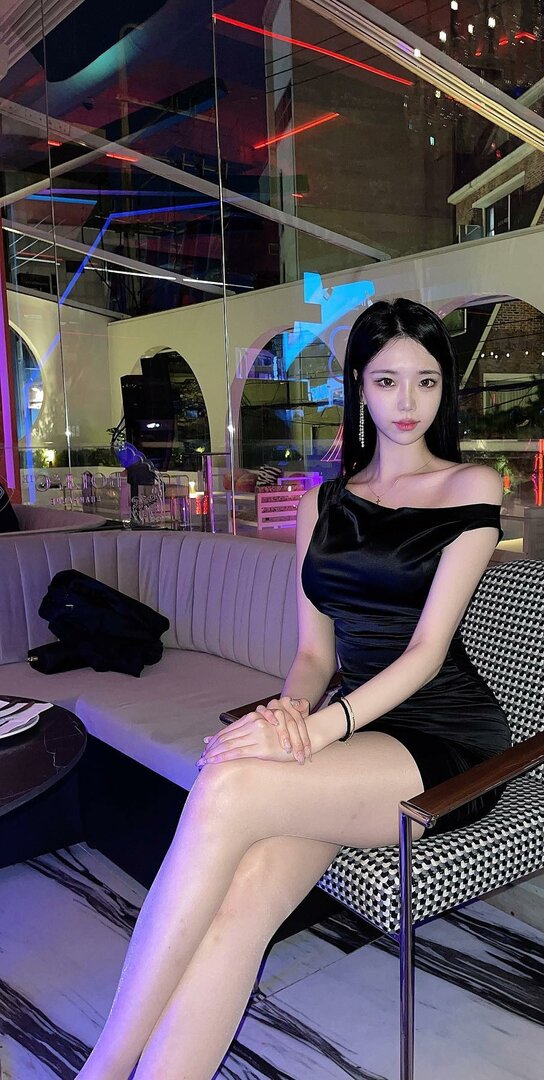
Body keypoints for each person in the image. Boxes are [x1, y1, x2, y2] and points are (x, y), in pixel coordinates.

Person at [78, 298, 509, 1079]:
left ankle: (102, 1069)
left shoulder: (470, 485)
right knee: (243, 900)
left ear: (446, 389)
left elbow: (424, 654)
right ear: (360, 385)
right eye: (387, 381)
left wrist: (315, 731)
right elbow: (314, 654)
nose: (407, 402)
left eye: (426, 381)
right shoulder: (322, 502)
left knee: (226, 783)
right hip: (354, 734)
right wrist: (289, 712)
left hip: (443, 743)